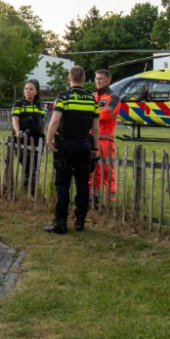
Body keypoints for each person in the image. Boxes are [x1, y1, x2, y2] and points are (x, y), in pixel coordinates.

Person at [45, 66, 100, 234]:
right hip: (84, 144)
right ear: (83, 80)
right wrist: (95, 147)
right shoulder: (91, 100)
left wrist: (49, 140)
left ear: (69, 79)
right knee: (82, 183)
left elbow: (55, 121)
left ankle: (61, 223)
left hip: (66, 144)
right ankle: (80, 221)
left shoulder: (63, 98)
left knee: (63, 184)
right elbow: (96, 128)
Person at [11, 79, 45, 193]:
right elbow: (15, 119)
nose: (28, 91)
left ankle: (30, 188)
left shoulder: (39, 105)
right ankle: (29, 187)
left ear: (36, 92)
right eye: (26, 89)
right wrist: (17, 131)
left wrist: (43, 132)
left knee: (34, 165)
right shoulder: (19, 103)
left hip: (36, 138)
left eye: (31, 89)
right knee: (26, 164)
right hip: (22, 138)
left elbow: (43, 120)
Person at [91, 69, 118, 205]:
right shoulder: (93, 96)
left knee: (107, 170)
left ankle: (110, 201)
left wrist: (91, 114)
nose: (98, 81)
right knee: (92, 170)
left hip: (106, 139)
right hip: (91, 138)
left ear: (108, 80)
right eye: (96, 78)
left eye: (100, 78)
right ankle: (93, 199)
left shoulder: (114, 98)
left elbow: (105, 115)